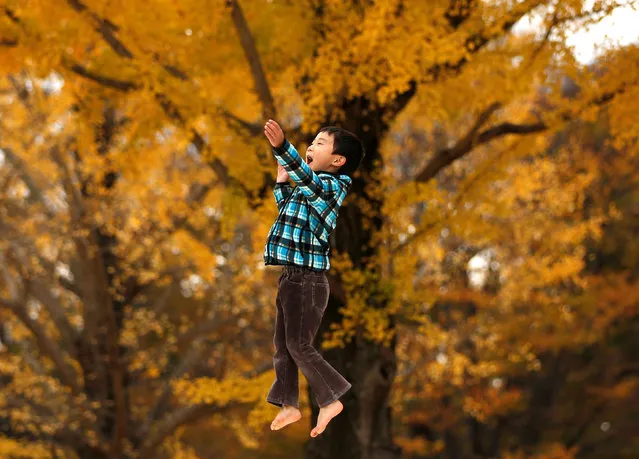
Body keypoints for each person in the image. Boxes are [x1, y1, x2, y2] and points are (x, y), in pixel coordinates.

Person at [263, 119, 365, 437]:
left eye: (320, 143)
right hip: (291, 277)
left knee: (298, 344)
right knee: (283, 345)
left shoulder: (332, 187)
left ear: (337, 161)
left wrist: (283, 148)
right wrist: (282, 184)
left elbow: (307, 181)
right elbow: (287, 210)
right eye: (312, 141)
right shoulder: (308, 191)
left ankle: (330, 398)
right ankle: (289, 404)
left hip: (307, 279)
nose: (311, 145)